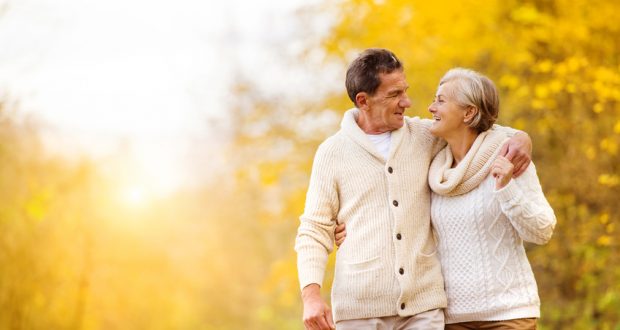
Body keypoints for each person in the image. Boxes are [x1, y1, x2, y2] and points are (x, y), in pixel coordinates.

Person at [296, 48, 532, 330]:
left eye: (404, 91)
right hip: (358, 310)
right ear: (363, 100)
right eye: (394, 95)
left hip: (424, 309)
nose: (406, 102)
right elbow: (314, 228)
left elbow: (479, 132)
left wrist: (521, 138)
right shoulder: (332, 153)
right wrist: (311, 296)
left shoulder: (424, 136)